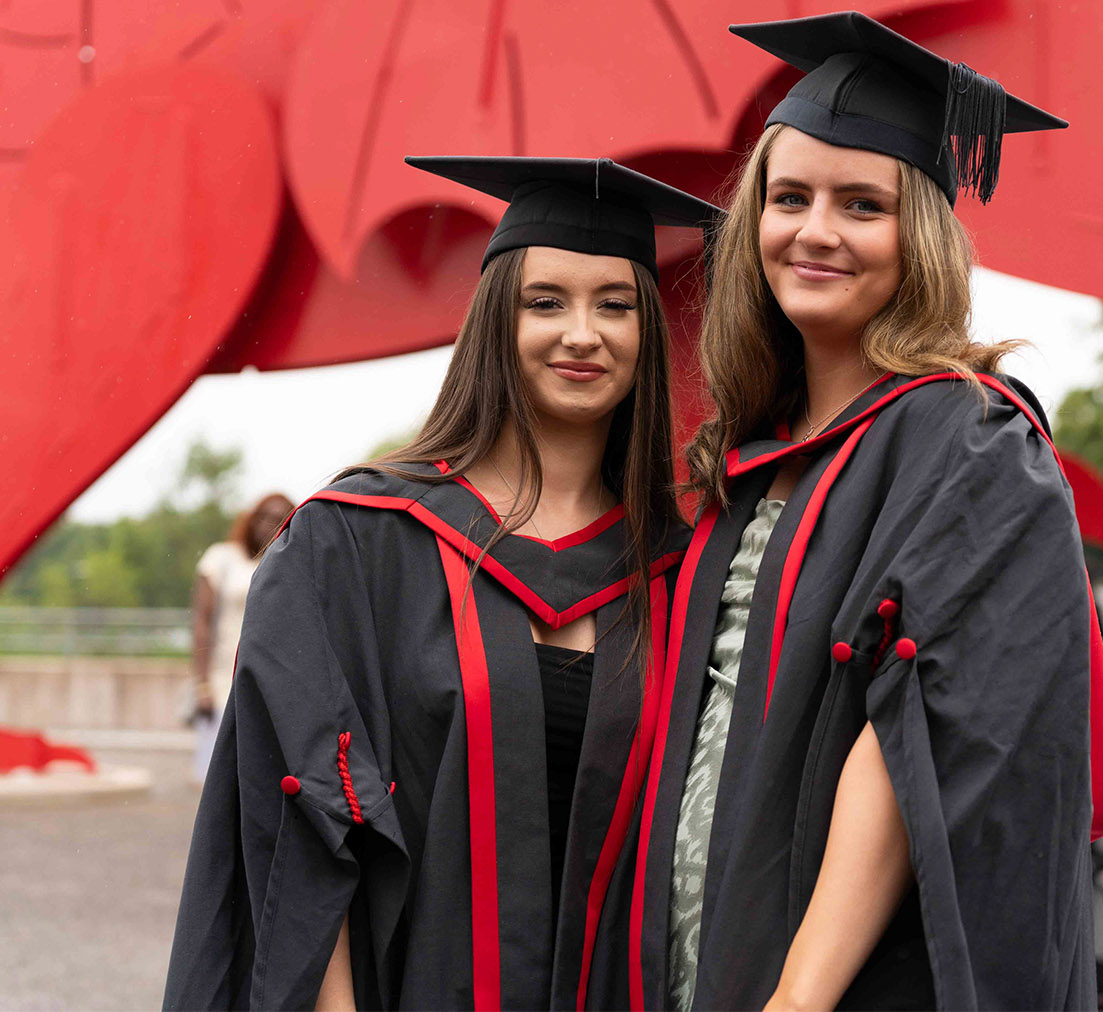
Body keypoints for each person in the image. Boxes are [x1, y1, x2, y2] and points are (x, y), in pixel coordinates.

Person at [608, 13, 1103, 1012]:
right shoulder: (746, 461)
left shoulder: (969, 447)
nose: (814, 231)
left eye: (862, 204)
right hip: (696, 953)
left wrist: (795, 1000)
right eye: (789, 197)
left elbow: (916, 747)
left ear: (920, 239)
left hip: (845, 982)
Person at [164, 157, 716, 1010]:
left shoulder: (682, 574)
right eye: (546, 302)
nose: (583, 332)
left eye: (616, 304)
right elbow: (298, 824)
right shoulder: (357, 543)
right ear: (496, 323)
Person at [188, 492, 293, 783]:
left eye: (279, 518)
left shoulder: (288, 561)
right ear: (251, 518)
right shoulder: (221, 558)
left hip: (271, 685)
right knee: (216, 777)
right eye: (264, 516)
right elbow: (201, 622)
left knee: (258, 779)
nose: (269, 524)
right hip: (223, 682)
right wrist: (201, 684)